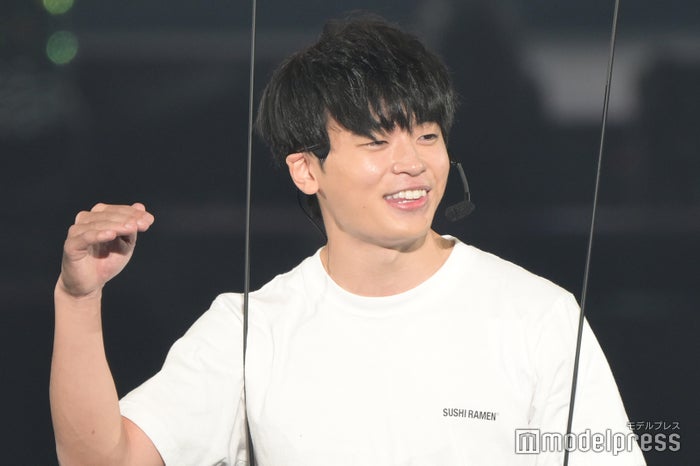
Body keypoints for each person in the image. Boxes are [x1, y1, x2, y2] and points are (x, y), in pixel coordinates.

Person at [50, 16, 645, 466]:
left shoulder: (537, 316)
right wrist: (78, 300)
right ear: (306, 170)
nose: (412, 163)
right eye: (376, 142)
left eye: (427, 135)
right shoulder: (252, 330)